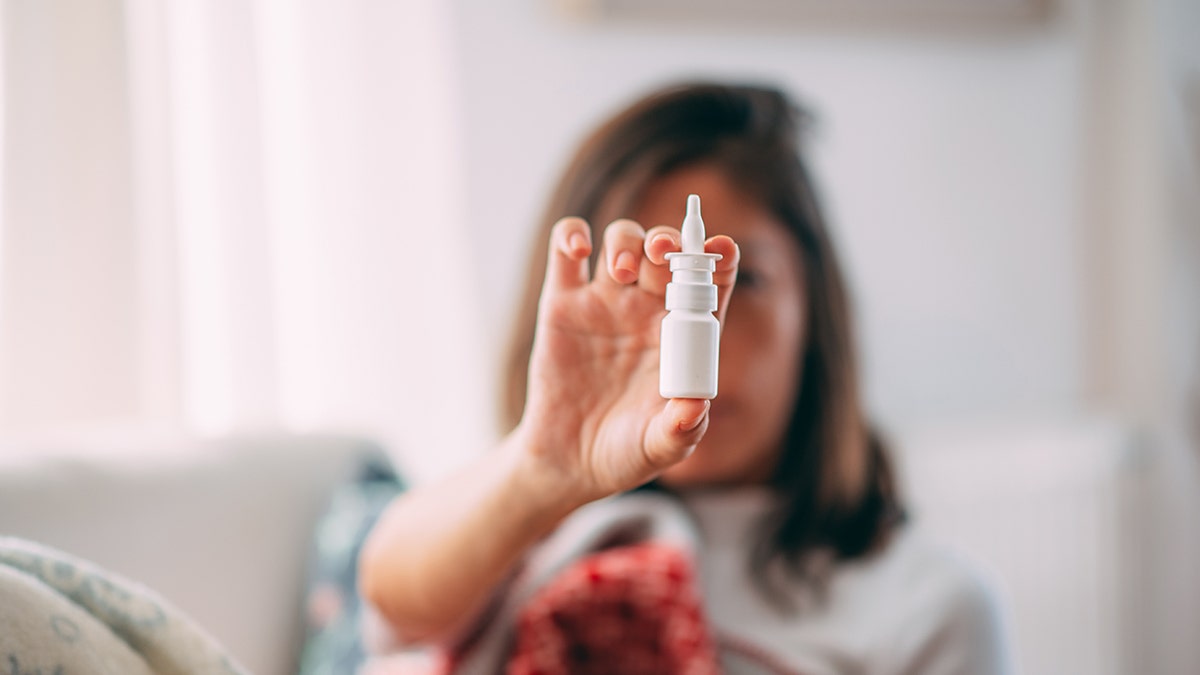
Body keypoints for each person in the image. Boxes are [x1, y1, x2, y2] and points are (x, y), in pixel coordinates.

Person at [359, 82, 1009, 674]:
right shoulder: (515, 530)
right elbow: (390, 600)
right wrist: (539, 469)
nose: (686, 348)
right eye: (638, 283)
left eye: (746, 281)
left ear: (814, 314)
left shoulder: (926, 605)